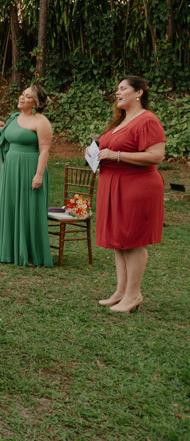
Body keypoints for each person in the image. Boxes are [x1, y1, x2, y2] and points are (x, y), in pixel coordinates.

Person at [93, 76, 165, 314]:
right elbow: (110, 149)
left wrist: (117, 156)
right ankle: (121, 291)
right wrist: (95, 154)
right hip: (113, 183)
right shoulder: (120, 121)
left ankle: (134, 295)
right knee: (119, 239)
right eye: (117, 89)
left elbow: (156, 155)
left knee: (133, 239)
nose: (118, 92)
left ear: (139, 93)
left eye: (123, 88)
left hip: (136, 185)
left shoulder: (147, 120)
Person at [0, 84, 53, 267]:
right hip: (11, 169)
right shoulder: (13, 118)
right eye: (22, 94)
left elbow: (45, 150)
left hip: (30, 168)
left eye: (27, 96)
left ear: (35, 103)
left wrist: (39, 174)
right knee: (10, 206)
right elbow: (2, 138)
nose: (21, 98)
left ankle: (27, 253)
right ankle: (7, 250)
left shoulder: (41, 121)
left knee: (28, 209)